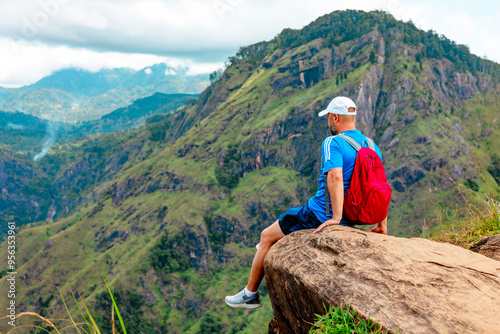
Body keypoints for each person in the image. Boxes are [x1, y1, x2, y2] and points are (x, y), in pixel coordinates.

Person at [224, 96, 388, 309]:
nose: (328, 122)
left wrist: (335, 218)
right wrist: (381, 224)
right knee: (277, 231)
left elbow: (335, 177)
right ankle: (271, 245)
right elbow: (378, 186)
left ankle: (250, 294)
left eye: (328, 118)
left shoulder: (333, 142)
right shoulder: (373, 146)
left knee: (266, 236)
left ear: (335, 117)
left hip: (319, 214)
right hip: (356, 216)